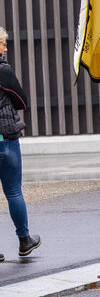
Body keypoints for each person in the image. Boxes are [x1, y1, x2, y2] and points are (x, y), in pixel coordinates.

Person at [0, 26, 41, 260]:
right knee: (14, 192)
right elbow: (21, 101)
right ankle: (24, 241)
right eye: (3, 44)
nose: (5, 48)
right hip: (6, 139)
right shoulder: (3, 70)